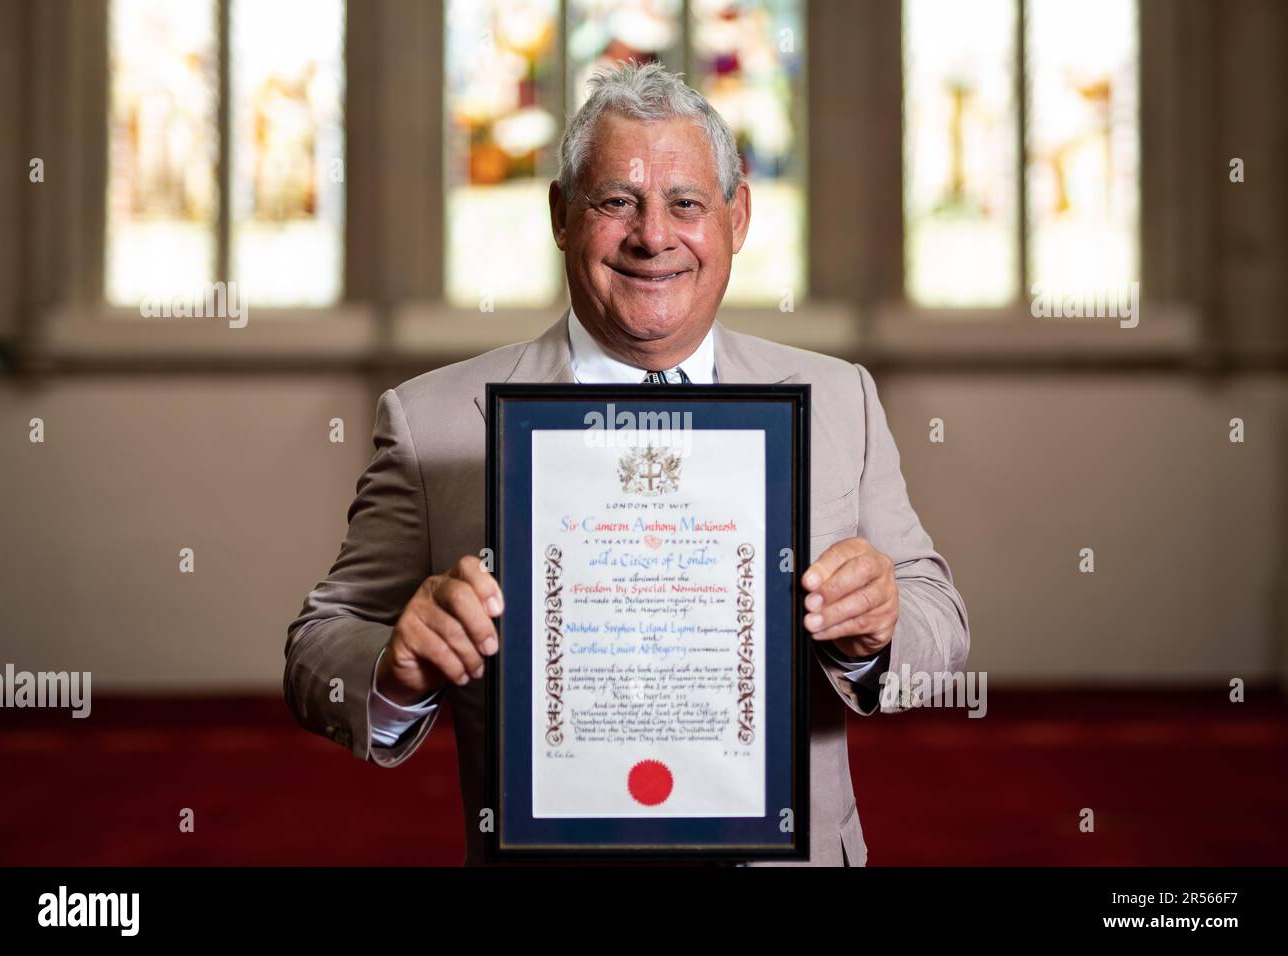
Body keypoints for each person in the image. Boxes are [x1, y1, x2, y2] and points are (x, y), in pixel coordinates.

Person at [284, 60, 969, 867]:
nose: (653, 235)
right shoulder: (433, 421)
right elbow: (316, 648)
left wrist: (880, 629)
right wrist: (395, 667)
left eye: (686, 204)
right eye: (616, 202)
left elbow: (942, 622)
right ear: (561, 217)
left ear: (737, 219)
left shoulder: (836, 398)